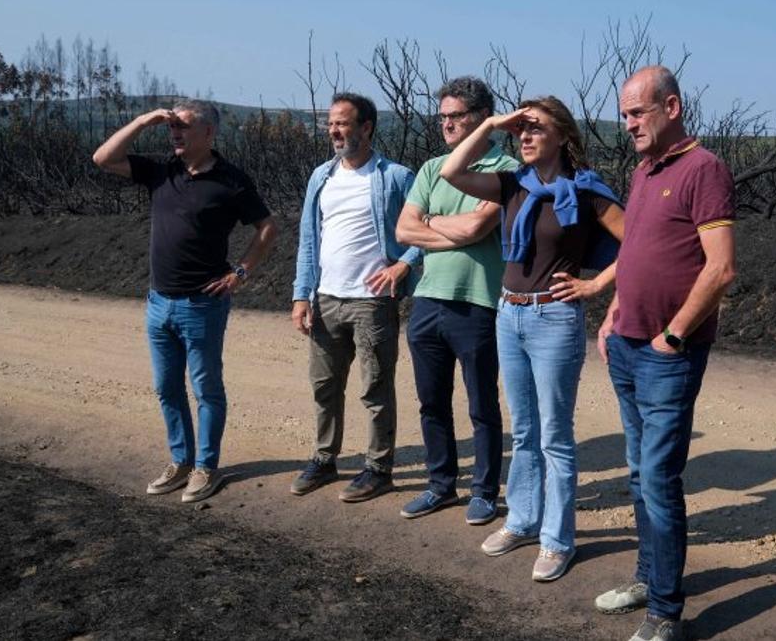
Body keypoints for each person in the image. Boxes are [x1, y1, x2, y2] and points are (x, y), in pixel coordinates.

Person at [440, 96, 624, 582]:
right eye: (519, 129)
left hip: (554, 319)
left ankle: (557, 540)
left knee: (555, 437)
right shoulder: (511, 185)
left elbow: (642, 242)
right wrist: (495, 123)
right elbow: (451, 171)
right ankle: (522, 520)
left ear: (562, 136)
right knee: (523, 431)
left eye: (534, 128)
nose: (523, 136)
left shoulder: (585, 191)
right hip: (508, 314)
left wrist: (595, 285)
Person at [593, 66, 737, 641]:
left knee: (658, 477)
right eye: (624, 114)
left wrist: (673, 335)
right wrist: (611, 315)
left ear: (671, 107)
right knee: (637, 473)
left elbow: (721, 267)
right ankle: (648, 580)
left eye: (636, 112)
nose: (627, 124)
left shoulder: (705, 169)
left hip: (666, 354)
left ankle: (665, 614)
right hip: (627, 345)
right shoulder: (645, 170)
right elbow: (636, 254)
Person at [92, 99, 277, 503]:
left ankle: (206, 468)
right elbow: (103, 158)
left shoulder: (231, 181)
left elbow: (266, 227)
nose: (174, 133)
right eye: (171, 126)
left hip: (203, 305)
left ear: (208, 133)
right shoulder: (162, 171)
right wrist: (143, 119)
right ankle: (180, 460)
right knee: (166, 387)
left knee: (206, 389)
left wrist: (241, 272)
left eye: (182, 126)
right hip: (159, 302)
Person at [394, 77, 518, 525]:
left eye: (456, 115)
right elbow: (404, 231)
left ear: (483, 118)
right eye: (442, 115)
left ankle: (484, 491)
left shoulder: (505, 167)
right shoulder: (431, 168)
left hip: (479, 303)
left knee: (481, 404)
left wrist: (432, 219)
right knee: (431, 402)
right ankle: (440, 485)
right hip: (428, 301)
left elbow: (475, 230)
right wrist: (446, 223)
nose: (446, 123)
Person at [289, 93, 420, 502]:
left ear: (366, 128)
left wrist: (405, 264)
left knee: (375, 388)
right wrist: (301, 295)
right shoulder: (321, 177)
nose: (334, 130)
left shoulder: (395, 176)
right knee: (324, 386)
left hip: (372, 301)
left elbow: (426, 228)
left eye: (343, 123)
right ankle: (324, 460)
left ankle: (379, 468)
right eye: (331, 123)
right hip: (326, 298)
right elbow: (309, 240)